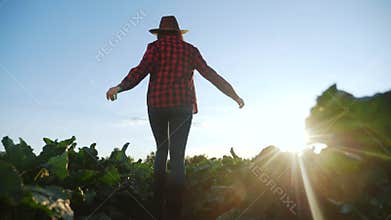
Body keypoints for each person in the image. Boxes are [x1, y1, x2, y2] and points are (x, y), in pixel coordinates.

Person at [106, 15, 244, 220]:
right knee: (177, 156)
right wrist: (234, 96)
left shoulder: (155, 48)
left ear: (160, 33)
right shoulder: (190, 50)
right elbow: (210, 74)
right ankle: (175, 207)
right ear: (179, 34)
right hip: (182, 106)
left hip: (157, 105)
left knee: (161, 149)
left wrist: (120, 87)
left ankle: (157, 202)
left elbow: (140, 71)